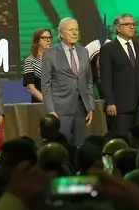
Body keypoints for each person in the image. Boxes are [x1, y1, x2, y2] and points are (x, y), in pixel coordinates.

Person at [39, 18, 96, 147]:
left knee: (79, 146)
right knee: (62, 146)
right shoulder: (50, 54)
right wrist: (50, 110)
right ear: (61, 33)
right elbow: (45, 85)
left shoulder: (83, 52)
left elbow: (88, 82)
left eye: (76, 30)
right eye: (71, 30)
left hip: (81, 110)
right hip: (60, 111)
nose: (75, 33)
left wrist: (91, 107)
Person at [100, 13, 139, 137]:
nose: (132, 27)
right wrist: (110, 102)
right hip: (120, 107)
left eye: (133, 24)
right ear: (117, 28)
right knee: (122, 140)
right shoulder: (108, 49)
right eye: (128, 24)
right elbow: (106, 77)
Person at [21, 28, 52, 104]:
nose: (48, 40)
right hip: (41, 104)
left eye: (49, 37)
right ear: (37, 40)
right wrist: (47, 102)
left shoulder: (56, 58)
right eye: (44, 38)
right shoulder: (30, 61)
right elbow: (31, 88)